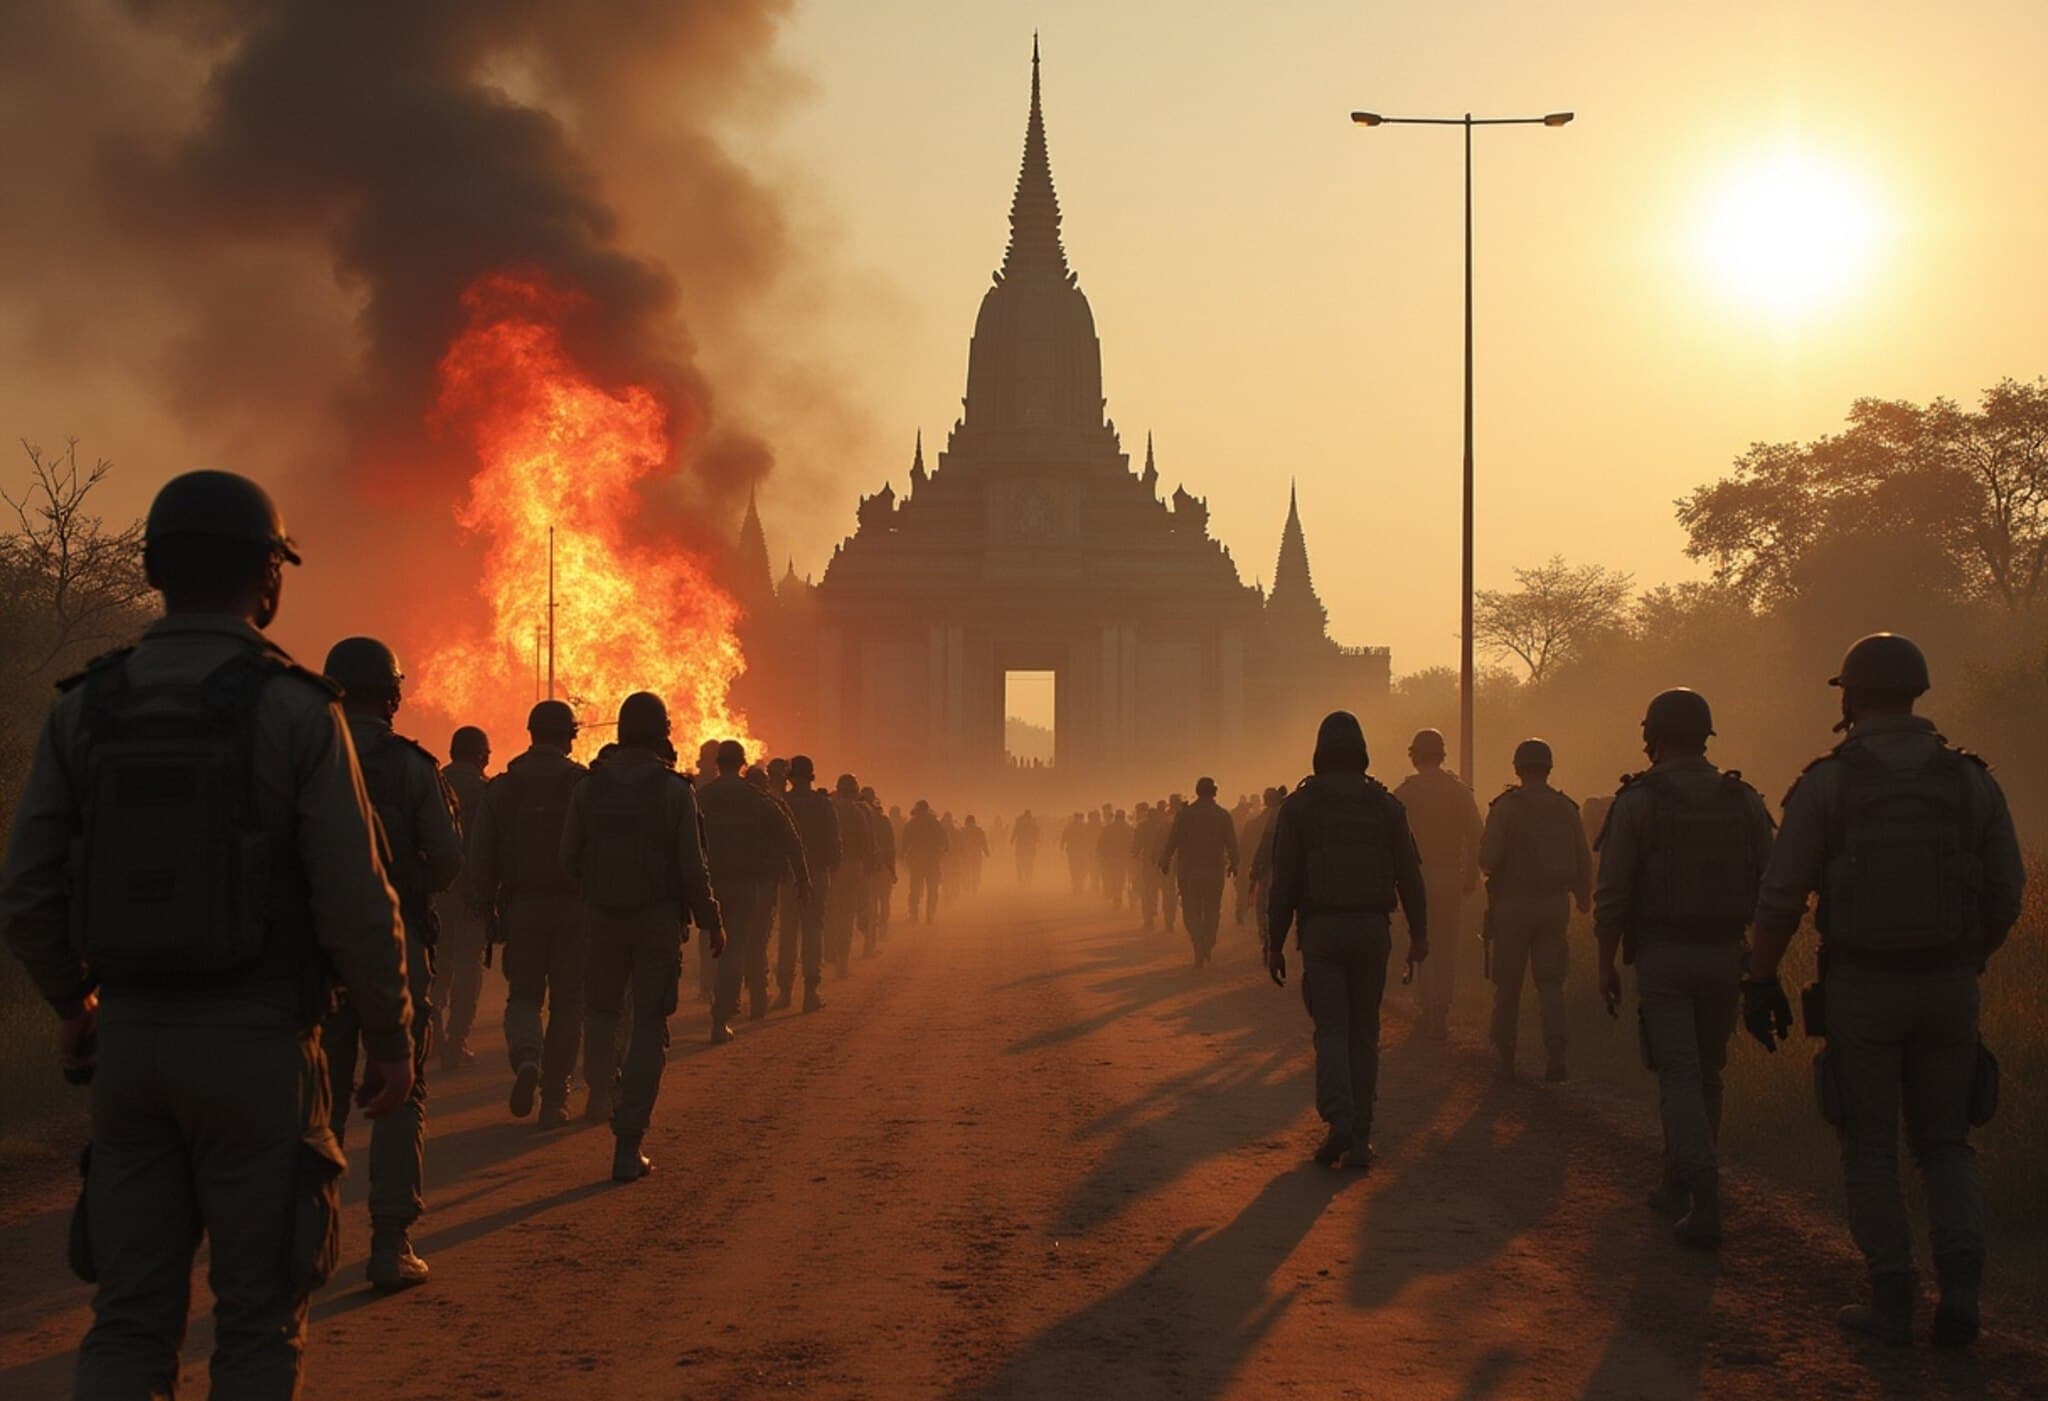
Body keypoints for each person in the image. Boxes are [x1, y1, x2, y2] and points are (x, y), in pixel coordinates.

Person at [0, 470, 414, 1395]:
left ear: (152, 568)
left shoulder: (85, 708)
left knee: (129, 1319)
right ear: (270, 576)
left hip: (132, 1049)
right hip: (262, 1047)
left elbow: (25, 889)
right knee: (259, 1322)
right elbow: (356, 894)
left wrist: (73, 1001)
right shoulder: (297, 711)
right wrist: (388, 1035)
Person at [1743, 634, 2023, 1347]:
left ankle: (1891, 1296)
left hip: (1862, 987)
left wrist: (1762, 975)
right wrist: (1968, 959)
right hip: (1949, 984)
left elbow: (1780, 897)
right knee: (1947, 1143)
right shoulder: (1970, 781)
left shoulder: (1828, 783)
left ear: (1851, 698)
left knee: (1868, 1144)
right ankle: (1961, 1294)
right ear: (1917, 692)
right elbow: (2007, 891)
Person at [1592, 689, 1773, 1248]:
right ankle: (1680, 1181)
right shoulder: (1742, 798)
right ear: (1704, 735)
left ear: (1653, 738)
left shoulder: (1638, 802)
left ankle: (1703, 1190)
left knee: (1678, 1075)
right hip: (1725, 953)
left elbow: (1613, 893)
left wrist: (1605, 961)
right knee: (1708, 1073)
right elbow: (1773, 886)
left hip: (1664, 956)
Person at [321, 635, 464, 1291]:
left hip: (315, 950)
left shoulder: (303, 753)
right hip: (395, 942)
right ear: (394, 696)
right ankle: (388, 1244)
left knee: (314, 1092)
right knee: (398, 1088)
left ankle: (305, 1243)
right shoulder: (411, 767)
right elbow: (448, 858)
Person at [561, 692, 725, 1181]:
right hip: (657, 922)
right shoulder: (675, 791)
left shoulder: (587, 789)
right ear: (662, 732)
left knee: (602, 1012)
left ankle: (600, 1091)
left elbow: (568, 857)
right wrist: (712, 920)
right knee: (650, 1026)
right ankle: (627, 1146)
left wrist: (594, 898)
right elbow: (693, 869)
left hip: (601, 919)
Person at [1266, 712, 1427, 1170]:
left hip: (1322, 932)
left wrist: (1274, 942)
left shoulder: (1299, 807)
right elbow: (1409, 877)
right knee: (1365, 1032)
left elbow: (1285, 883)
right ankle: (1360, 1135)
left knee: (1332, 1030)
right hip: (1373, 930)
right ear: (1361, 751)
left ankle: (1338, 1116)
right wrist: (1421, 933)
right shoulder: (1385, 804)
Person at [465, 699, 590, 1127]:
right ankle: (554, 1098)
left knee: (523, 996)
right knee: (569, 1003)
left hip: (520, 908)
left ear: (531, 733)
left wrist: (483, 904)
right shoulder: (583, 785)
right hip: (575, 909)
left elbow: (480, 854)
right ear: (569, 736)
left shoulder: (501, 788)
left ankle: (526, 1059)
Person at [1480, 738, 1592, 1082]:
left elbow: (1487, 860)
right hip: (1554, 906)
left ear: (1517, 768)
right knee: (1551, 983)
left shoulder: (1505, 808)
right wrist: (1584, 898)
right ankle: (1556, 1050)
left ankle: (1505, 1057)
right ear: (1548, 767)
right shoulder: (1566, 808)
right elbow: (1583, 859)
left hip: (1512, 905)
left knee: (1508, 984)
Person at [697, 740, 809, 1041]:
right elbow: (790, 838)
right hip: (746, 884)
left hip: (709, 884)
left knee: (712, 946)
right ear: (742, 764)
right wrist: (804, 878)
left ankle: (713, 998)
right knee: (736, 948)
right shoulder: (757, 799)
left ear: (718, 763)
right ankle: (721, 1019)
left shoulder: (700, 797)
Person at [1392, 729, 1483, 1041]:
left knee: (1420, 939)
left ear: (1415, 755)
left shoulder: (1405, 793)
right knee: (1446, 945)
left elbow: (1389, 838)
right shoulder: (1458, 791)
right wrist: (1471, 873)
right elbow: (1476, 834)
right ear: (1442, 754)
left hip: (1415, 879)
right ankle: (1440, 1010)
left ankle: (1426, 1006)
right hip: (1449, 876)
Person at [434, 724, 491, 1072]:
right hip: (473, 894)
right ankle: (457, 1040)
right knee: (468, 969)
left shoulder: (433, 782)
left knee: (438, 967)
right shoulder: (487, 792)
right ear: (481, 755)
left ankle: (434, 1033)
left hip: (436, 893)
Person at [779, 757, 840, 1011]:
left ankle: (784, 992)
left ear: (791, 778)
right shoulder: (823, 805)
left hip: (788, 878)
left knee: (787, 933)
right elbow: (834, 845)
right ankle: (810, 992)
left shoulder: (782, 803)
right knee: (813, 932)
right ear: (811, 776)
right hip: (815, 876)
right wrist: (830, 870)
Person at [1161, 777, 1241, 967]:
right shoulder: (1222, 815)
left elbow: (1172, 840)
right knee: (1212, 908)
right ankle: (1208, 941)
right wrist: (1234, 864)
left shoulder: (1185, 815)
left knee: (1191, 910)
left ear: (1197, 792)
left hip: (1189, 871)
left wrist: (1164, 860)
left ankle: (1198, 941)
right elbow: (1232, 843)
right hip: (1214, 870)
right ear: (1214, 792)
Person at [828, 774, 874, 973]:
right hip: (852, 868)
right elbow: (866, 844)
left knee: (830, 912)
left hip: (829, 868)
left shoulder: (829, 810)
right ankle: (842, 961)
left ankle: (828, 953)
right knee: (846, 915)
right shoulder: (859, 814)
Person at [901, 799, 948, 923]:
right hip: (932, 860)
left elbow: (905, 842)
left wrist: (904, 855)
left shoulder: (912, 823)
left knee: (915, 888)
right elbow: (944, 839)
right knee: (932, 889)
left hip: (916, 861)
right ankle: (930, 913)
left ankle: (914, 914)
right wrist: (944, 851)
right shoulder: (935, 823)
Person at [863, 786, 895, 948]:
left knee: (867, 904)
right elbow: (890, 847)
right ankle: (878, 934)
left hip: (861, 868)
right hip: (881, 866)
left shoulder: (857, 814)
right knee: (883, 900)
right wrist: (892, 869)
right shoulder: (882, 820)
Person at [1098, 808, 1132, 909]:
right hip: (1124, 858)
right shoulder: (1128, 828)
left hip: (1111, 858)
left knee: (1113, 877)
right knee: (1124, 878)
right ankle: (1123, 897)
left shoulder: (1108, 828)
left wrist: (1101, 855)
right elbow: (1133, 843)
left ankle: (1116, 897)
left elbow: (1101, 843)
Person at [959, 814, 991, 899]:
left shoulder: (962, 831)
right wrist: (987, 853)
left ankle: (967, 887)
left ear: (966, 822)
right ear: (974, 821)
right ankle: (974, 888)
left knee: (965, 872)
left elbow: (959, 844)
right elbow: (983, 843)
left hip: (965, 856)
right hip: (976, 855)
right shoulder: (979, 831)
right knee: (976, 872)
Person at [1061, 812, 1090, 895]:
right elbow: (1064, 836)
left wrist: (1062, 845)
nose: (1080, 820)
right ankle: (1077, 886)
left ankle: (1078, 886)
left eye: (1080, 818)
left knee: (1078, 870)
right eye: (1079, 818)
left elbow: (1064, 836)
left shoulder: (1073, 827)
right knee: (1077, 870)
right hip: (1076, 852)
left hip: (1077, 852)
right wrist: (1062, 845)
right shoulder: (1078, 827)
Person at [1012, 809, 1041, 885]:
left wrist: (1012, 840)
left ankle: (1025, 879)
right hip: (1027, 847)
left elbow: (1014, 832)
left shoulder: (1021, 824)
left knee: (1023, 863)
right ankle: (1026, 878)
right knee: (1027, 864)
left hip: (1023, 847)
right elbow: (1038, 837)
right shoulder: (1033, 824)